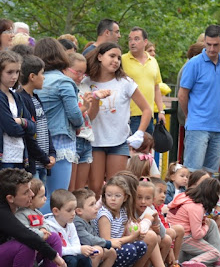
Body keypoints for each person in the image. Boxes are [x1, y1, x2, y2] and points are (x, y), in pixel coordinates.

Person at [81, 42, 152, 197]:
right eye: (112, 56)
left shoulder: (125, 83)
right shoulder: (87, 83)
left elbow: (147, 109)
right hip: (95, 142)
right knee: (95, 187)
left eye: (119, 58)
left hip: (119, 142)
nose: (116, 61)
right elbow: (90, 116)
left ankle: (114, 220)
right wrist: (95, 101)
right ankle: (96, 219)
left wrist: (139, 133)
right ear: (100, 56)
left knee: (116, 188)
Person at [34, 38, 84, 207]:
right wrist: (78, 126)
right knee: (56, 194)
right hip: (60, 141)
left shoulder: (33, 80)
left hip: (37, 139)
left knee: (39, 193)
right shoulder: (63, 81)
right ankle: (51, 231)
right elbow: (74, 113)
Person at [44, 189, 115, 267]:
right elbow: (57, 251)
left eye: (74, 209)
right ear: (56, 211)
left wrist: (85, 250)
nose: (73, 213)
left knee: (84, 258)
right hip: (51, 262)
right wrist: (79, 249)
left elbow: (76, 243)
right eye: (69, 210)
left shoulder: (70, 224)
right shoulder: (50, 227)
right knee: (71, 259)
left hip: (68, 257)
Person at [178, 25, 220, 173]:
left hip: (217, 126)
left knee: (211, 174)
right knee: (193, 172)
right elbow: (182, 94)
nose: (212, 49)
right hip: (197, 125)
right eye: (208, 45)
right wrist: (190, 115)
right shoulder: (194, 64)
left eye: (216, 45)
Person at [0, 50, 35, 196]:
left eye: (17, 72)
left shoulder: (16, 97)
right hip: (1, 158)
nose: (14, 76)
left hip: (19, 156)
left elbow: (32, 127)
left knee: (18, 199)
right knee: (0, 200)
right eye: (9, 72)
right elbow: (13, 129)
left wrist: (21, 122)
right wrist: (22, 125)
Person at [167, 177, 220, 267]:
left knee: (212, 223)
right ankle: (194, 262)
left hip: (179, 233)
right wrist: (205, 225)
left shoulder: (185, 196)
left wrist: (207, 223)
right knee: (214, 252)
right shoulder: (196, 207)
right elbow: (197, 234)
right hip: (184, 238)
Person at [92, 176, 147, 267]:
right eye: (109, 195)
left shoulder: (122, 211)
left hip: (116, 246)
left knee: (141, 246)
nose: (113, 199)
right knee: (129, 249)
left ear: (125, 197)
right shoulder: (104, 215)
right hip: (106, 250)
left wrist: (135, 235)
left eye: (117, 196)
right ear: (104, 196)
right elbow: (106, 241)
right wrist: (131, 238)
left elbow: (123, 234)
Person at [65, 52, 108, 190]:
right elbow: (71, 115)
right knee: (70, 189)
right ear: (66, 69)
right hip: (74, 138)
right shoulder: (66, 87)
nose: (81, 77)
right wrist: (84, 107)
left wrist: (95, 100)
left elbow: (90, 116)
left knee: (80, 189)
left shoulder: (84, 87)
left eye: (83, 73)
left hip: (87, 138)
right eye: (77, 72)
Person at [73, 188, 118, 267]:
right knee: (98, 250)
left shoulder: (90, 220)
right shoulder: (77, 222)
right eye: (92, 205)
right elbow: (88, 239)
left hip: (87, 252)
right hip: (77, 253)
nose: (96, 207)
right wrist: (107, 243)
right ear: (79, 210)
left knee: (111, 252)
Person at [18, 54, 56, 177]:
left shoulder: (35, 98)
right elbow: (29, 135)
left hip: (43, 163)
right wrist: (44, 158)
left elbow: (45, 128)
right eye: (42, 73)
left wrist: (51, 153)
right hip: (34, 164)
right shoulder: (22, 99)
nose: (44, 77)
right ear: (32, 77)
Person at [122, 27, 166, 135]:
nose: (132, 42)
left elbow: (156, 88)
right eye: (130, 39)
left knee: (146, 150)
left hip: (148, 116)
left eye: (136, 39)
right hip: (129, 116)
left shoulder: (153, 61)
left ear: (145, 42)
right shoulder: (122, 60)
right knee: (131, 150)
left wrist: (161, 111)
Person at [149, 177, 190, 267]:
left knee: (179, 229)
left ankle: (175, 262)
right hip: (155, 233)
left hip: (160, 231)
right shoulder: (150, 208)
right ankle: (160, 266)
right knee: (169, 233)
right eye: (160, 192)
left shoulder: (158, 207)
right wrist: (170, 250)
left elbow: (164, 224)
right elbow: (162, 229)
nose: (163, 196)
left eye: (165, 193)